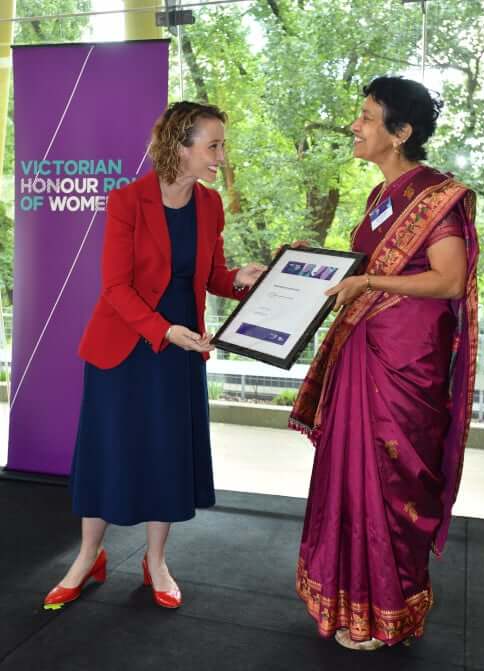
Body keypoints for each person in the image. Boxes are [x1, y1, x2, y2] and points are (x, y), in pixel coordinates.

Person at [44, 101, 265, 611]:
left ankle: (156, 561)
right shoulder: (127, 201)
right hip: (125, 347)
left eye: (221, 146)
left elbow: (210, 278)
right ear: (180, 148)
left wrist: (243, 282)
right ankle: (87, 558)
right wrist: (164, 330)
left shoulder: (210, 205)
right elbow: (116, 289)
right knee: (107, 452)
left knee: (166, 454)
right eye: (214, 146)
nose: (221, 156)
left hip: (178, 352)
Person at [289, 76, 479, 650]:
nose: (356, 125)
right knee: (349, 477)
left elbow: (448, 278)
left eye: (368, 117)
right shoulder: (380, 196)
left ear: (401, 134)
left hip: (405, 364)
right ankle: (349, 599)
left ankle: (387, 609)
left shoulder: (438, 196)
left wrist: (369, 278)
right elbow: (356, 269)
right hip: (363, 354)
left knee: (393, 482)